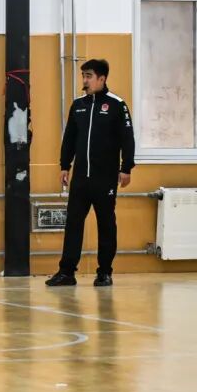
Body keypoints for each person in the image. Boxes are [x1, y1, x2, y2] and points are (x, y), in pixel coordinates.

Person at [47, 59, 135, 287]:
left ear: (102, 79)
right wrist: (64, 165)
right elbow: (69, 138)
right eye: (83, 76)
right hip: (80, 179)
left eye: (89, 76)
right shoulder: (78, 105)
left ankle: (104, 272)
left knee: (106, 225)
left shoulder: (117, 105)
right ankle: (66, 272)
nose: (84, 81)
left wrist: (126, 168)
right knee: (73, 224)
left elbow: (127, 139)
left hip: (104, 179)